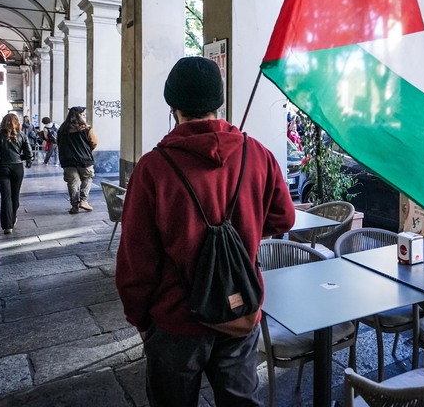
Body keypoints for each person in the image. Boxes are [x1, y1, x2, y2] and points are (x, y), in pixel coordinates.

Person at [115, 56, 295, 407]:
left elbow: (137, 260)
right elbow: (283, 219)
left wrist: (140, 318)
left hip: (175, 321)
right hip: (240, 311)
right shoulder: (256, 154)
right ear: (219, 103)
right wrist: (246, 229)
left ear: (173, 106)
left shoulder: (153, 169)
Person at [0, 113, 33, 234]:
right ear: (17, 123)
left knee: (5, 196)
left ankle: (7, 226)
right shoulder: (22, 135)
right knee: (15, 195)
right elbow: (29, 155)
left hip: (1, 168)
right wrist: (18, 157)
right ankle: (13, 218)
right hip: (17, 168)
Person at [57, 106, 98, 214]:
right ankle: (84, 201)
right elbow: (94, 142)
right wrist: (87, 150)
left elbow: (59, 143)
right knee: (87, 178)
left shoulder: (62, 129)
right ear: (79, 115)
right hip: (84, 159)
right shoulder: (86, 128)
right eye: (82, 114)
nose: (84, 116)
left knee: (72, 183)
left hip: (68, 161)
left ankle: (74, 206)